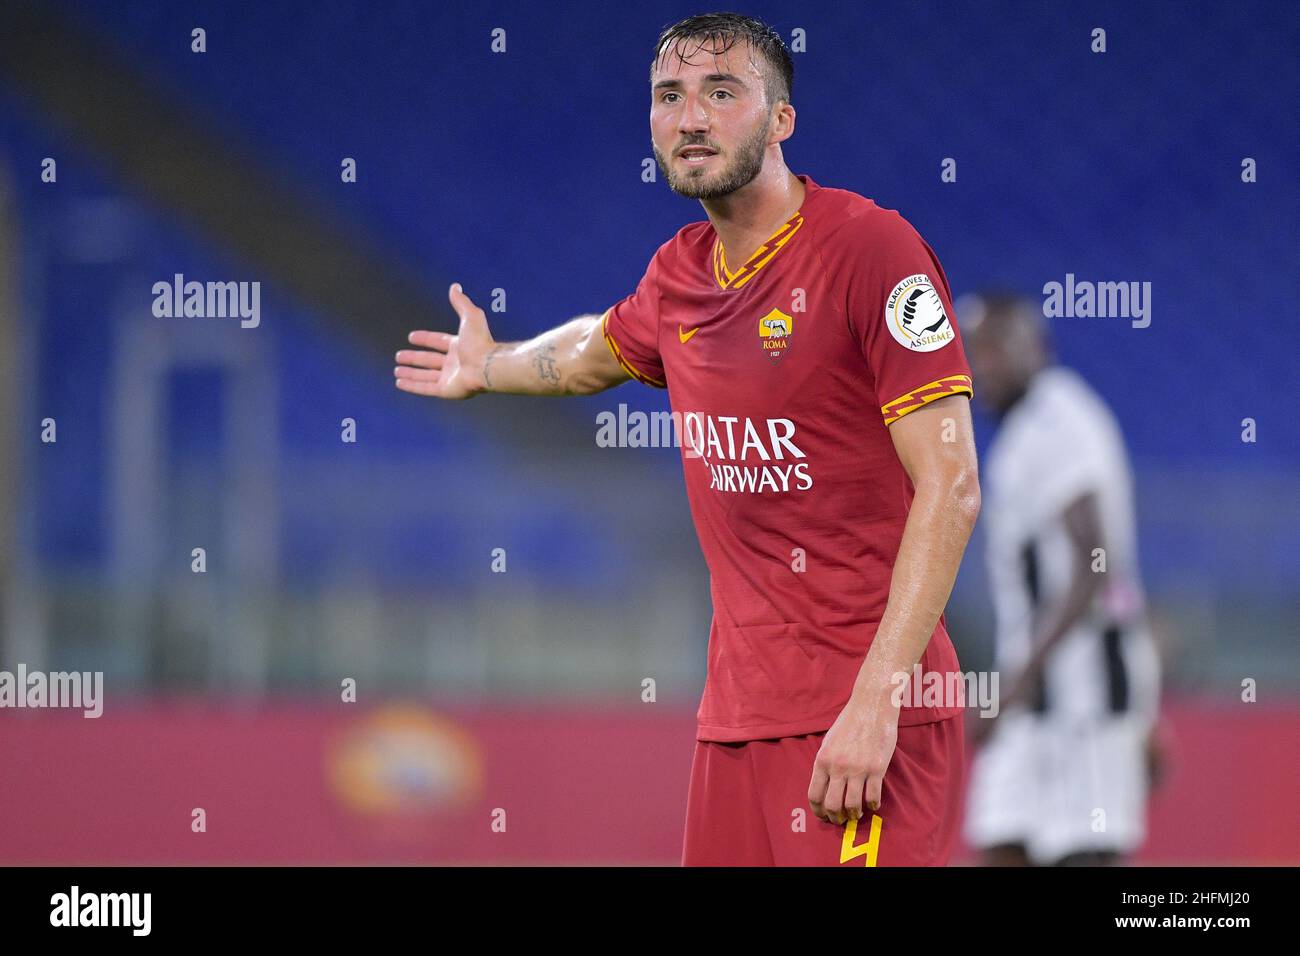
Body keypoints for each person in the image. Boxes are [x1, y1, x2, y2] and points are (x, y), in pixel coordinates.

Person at [395, 13, 980, 865]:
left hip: (866, 723)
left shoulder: (871, 251)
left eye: (721, 92)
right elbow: (594, 351)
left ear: (782, 118)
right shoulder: (679, 274)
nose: (691, 118)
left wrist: (876, 702)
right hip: (738, 726)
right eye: (670, 96)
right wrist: (491, 365)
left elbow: (954, 488)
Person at [959, 291, 1162, 866]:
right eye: (976, 349)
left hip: (1086, 690)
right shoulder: (1026, 431)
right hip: (1040, 688)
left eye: (999, 346)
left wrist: (1016, 682)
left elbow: (1094, 562)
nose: (984, 365)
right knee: (1001, 838)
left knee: (1082, 850)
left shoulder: (1059, 417)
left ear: (1038, 348)